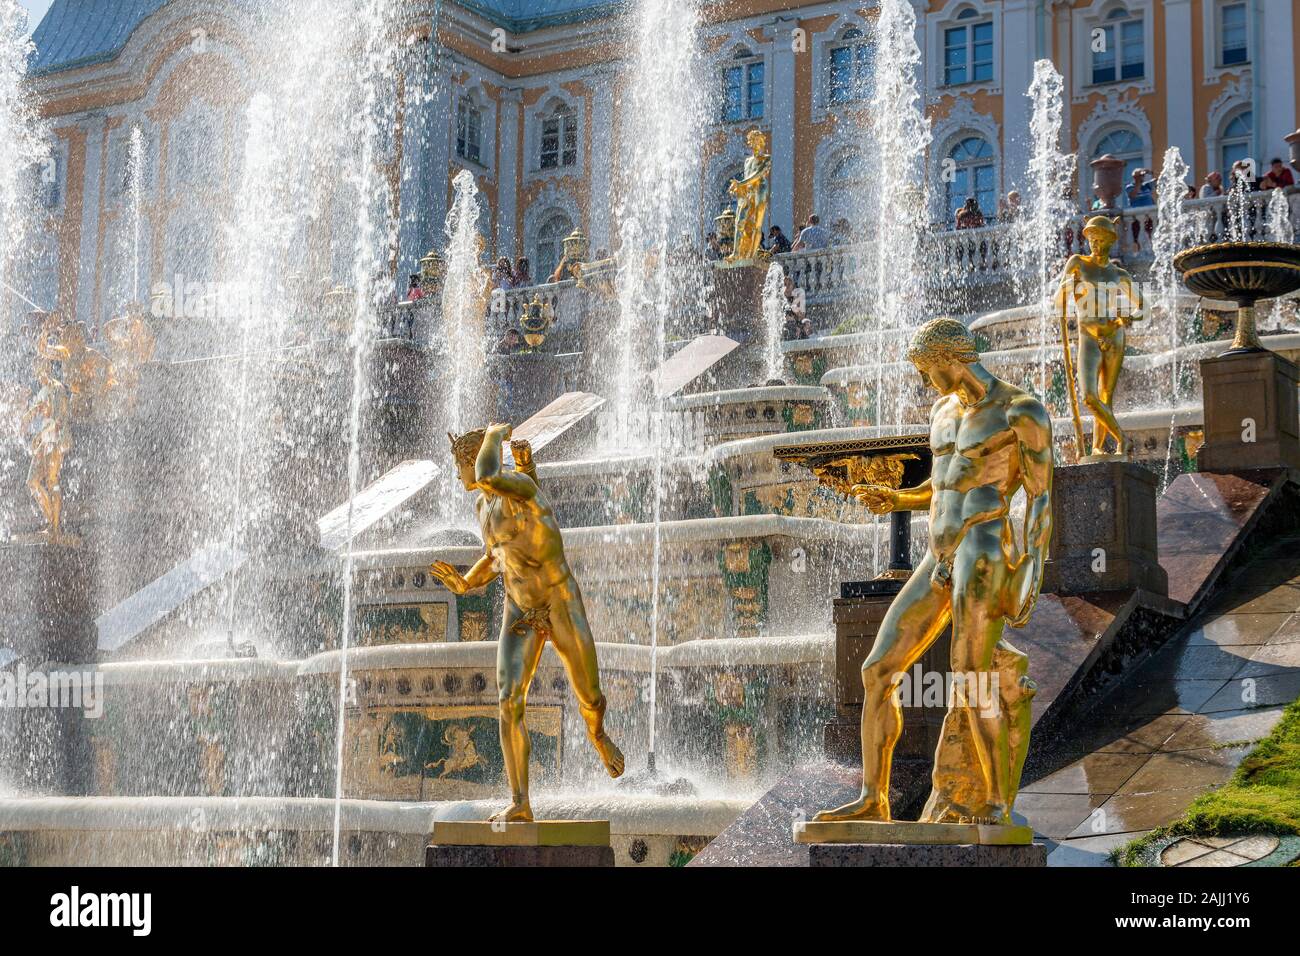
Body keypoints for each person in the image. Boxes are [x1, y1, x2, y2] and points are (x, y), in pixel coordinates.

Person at [812, 318, 1052, 826]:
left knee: (971, 677)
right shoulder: (942, 410)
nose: (925, 382)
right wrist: (898, 498)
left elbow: (1040, 496)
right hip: (937, 555)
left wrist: (1030, 568)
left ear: (950, 359)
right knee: (878, 670)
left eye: (927, 370)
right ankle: (874, 798)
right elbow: (943, 484)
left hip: (982, 551)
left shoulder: (1019, 409)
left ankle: (996, 802)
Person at [429, 425, 625, 822]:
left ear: (475, 460)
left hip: (558, 601)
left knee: (590, 695)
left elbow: (489, 474)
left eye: (459, 465)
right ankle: (520, 802)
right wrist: (466, 582)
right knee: (509, 700)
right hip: (519, 610)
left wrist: (494, 436)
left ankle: (598, 734)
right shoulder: (482, 508)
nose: (458, 475)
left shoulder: (520, 489)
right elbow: (496, 556)